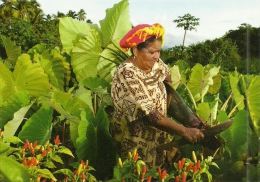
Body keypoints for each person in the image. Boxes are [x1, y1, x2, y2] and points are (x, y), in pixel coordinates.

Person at [109, 23, 204, 168]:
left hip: (159, 134)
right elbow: (151, 115)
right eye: (152, 52)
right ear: (135, 50)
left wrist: (192, 121)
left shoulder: (156, 63)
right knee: (137, 173)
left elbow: (167, 80)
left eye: (159, 51)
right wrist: (184, 131)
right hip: (134, 139)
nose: (156, 56)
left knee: (159, 171)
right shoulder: (127, 73)